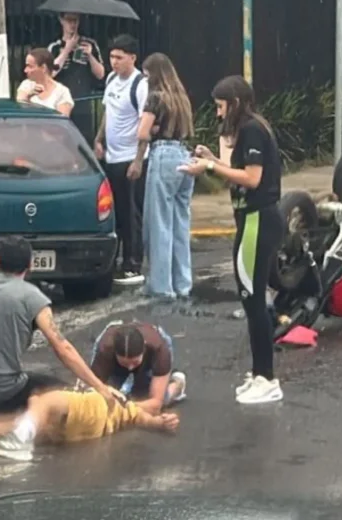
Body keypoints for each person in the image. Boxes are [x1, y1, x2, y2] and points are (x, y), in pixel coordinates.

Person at [0, 236, 124, 434]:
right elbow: (63, 349)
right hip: (2, 390)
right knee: (61, 396)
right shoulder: (33, 297)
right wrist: (100, 387)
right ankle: (5, 429)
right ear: (30, 265)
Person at [179, 75, 284, 405]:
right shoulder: (248, 130)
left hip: (257, 220)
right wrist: (212, 162)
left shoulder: (252, 130)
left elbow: (252, 179)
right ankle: (259, 374)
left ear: (234, 103)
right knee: (252, 300)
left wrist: (211, 164)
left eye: (221, 106)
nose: (219, 113)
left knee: (253, 301)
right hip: (252, 220)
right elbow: (236, 177)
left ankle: (267, 378)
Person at [128, 53, 194, 299]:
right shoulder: (181, 98)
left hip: (163, 156)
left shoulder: (155, 98)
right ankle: (182, 284)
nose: (144, 80)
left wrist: (152, 129)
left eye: (146, 75)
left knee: (159, 224)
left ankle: (161, 286)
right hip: (183, 155)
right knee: (179, 223)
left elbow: (142, 132)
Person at [0, 387, 179, 462]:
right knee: (38, 414)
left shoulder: (123, 406)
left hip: (81, 413)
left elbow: (141, 416)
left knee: (41, 406)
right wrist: (158, 423)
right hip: (75, 422)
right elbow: (142, 417)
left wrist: (159, 422)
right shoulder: (122, 404)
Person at [94, 34, 149, 286]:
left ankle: (133, 263)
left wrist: (138, 160)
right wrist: (99, 139)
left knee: (132, 214)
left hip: (131, 158)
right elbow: (108, 113)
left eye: (119, 57)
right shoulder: (111, 80)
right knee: (115, 212)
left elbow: (144, 124)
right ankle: (115, 259)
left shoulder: (140, 84)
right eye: (111, 57)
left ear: (133, 58)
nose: (114, 62)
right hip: (112, 156)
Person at [87, 320, 186, 415]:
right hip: (113, 358)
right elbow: (92, 392)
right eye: (125, 363)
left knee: (149, 399)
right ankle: (127, 373)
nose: (130, 368)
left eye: (134, 362)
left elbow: (155, 405)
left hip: (150, 354)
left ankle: (177, 384)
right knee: (99, 398)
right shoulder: (105, 350)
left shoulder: (159, 350)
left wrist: (123, 405)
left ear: (143, 350)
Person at [47, 12, 106, 145]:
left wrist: (90, 56)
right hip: (61, 103)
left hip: (82, 103)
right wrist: (66, 50)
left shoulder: (89, 44)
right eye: (69, 20)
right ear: (61, 20)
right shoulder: (55, 47)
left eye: (75, 20)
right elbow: (50, 74)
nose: (72, 24)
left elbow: (101, 74)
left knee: (83, 142)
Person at [15, 48, 74, 115]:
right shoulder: (26, 85)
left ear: (43, 68)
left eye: (30, 66)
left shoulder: (62, 92)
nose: (25, 70)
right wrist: (28, 96)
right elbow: (19, 109)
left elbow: (61, 121)